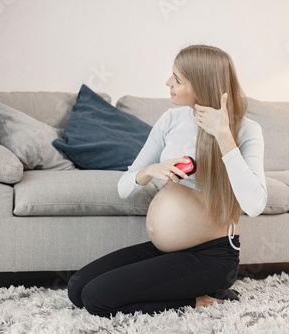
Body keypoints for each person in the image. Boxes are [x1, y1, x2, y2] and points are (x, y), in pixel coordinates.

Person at [67, 44, 267, 317]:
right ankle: (184, 291)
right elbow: (124, 188)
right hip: (167, 252)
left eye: (177, 79)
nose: (167, 83)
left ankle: (200, 300)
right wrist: (151, 171)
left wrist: (223, 136)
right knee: (77, 288)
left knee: (96, 299)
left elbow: (255, 205)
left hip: (211, 258)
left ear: (202, 84)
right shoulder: (170, 119)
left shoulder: (246, 130)